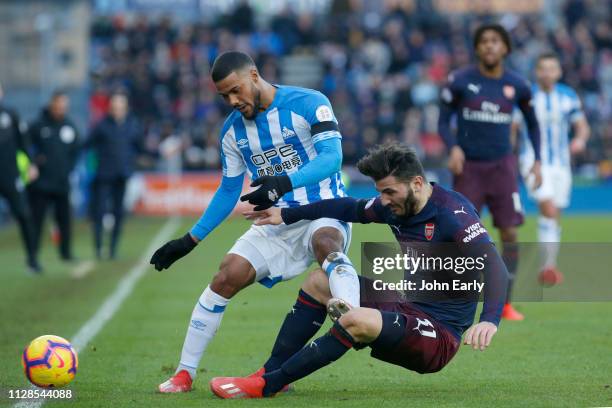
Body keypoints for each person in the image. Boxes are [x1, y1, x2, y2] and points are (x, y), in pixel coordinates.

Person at [209, 144, 509, 398]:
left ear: (417, 183)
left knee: (355, 320)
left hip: (440, 335)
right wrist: (286, 214)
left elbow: (494, 265)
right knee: (320, 281)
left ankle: (265, 386)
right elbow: (347, 208)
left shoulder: (453, 215)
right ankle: (272, 371)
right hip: (407, 306)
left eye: (389, 192)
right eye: (381, 193)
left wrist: (490, 321)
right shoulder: (395, 206)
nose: (384, 200)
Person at [150, 51, 360, 393]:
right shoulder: (232, 132)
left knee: (325, 243)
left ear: (254, 74)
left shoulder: (309, 103)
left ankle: (352, 311)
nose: (233, 101)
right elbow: (229, 189)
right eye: (224, 96)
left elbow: (332, 158)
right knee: (226, 275)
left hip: (323, 209)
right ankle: (184, 374)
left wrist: (284, 182)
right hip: (274, 221)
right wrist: (190, 240)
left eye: (236, 90)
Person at [438, 24, 541, 321]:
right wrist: (453, 147)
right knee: (460, 234)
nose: (489, 46)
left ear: (505, 47)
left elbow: (533, 124)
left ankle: (505, 302)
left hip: (502, 167)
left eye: (495, 41)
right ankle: (455, 300)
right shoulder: (459, 81)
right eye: (484, 41)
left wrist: (537, 160)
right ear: (477, 48)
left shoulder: (518, 85)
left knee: (509, 232)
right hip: (468, 168)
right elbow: (443, 122)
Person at [513, 52, 590, 285]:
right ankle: (548, 268)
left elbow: (581, 125)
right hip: (533, 161)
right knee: (548, 208)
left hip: (561, 164)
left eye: (552, 68)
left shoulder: (568, 96)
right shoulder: (526, 97)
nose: (547, 73)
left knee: (555, 214)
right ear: (537, 72)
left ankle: (549, 266)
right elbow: (513, 128)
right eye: (543, 68)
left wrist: (580, 139)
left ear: (558, 72)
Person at [86, 91, 144, 260]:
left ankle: (113, 250)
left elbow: (140, 148)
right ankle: (98, 249)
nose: (117, 110)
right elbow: (87, 145)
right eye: (115, 107)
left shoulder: (132, 125)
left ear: (126, 108)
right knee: (100, 212)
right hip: (103, 176)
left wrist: (159, 152)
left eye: (121, 107)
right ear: (110, 108)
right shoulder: (101, 125)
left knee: (119, 214)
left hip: (122, 176)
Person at [27, 91, 80, 262]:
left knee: (65, 221)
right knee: (36, 222)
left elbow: (76, 150)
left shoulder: (69, 126)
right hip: (40, 184)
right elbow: (26, 147)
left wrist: (69, 168)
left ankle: (66, 253)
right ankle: (33, 255)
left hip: (62, 183)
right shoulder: (38, 126)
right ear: (52, 105)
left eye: (64, 106)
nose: (61, 109)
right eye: (58, 106)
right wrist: (34, 162)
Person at [0, 81, 41, 273]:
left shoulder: (10, 114)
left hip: (9, 174)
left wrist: (31, 164)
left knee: (24, 215)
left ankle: (32, 259)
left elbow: (23, 141)